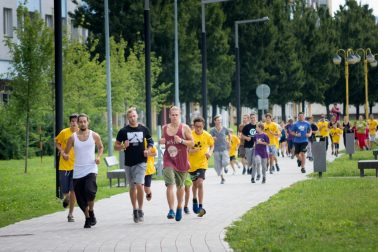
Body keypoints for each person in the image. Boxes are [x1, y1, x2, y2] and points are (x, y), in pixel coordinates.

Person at [63, 113, 103, 228]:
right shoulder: (72, 137)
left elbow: (100, 147)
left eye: (85, 121)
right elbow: (66, 151)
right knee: (80, 198)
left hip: (91, 168)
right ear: (78, 123)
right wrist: (65, 155)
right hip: (78, 171)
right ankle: (87, 218)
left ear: (88, 122)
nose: (83, 123)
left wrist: (98, 157)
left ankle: (91, 211)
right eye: (80, 122)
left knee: (90, 191)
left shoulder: (94, 135)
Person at [114, 108, 154, 223]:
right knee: (132, 187)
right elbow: (116, 146)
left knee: (140, 185)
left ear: (137, 116)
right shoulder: (123, 131)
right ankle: (135, 209)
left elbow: (150, 141)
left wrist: (148, 149)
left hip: (141, 161)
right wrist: (123, 146)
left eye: (134, 116)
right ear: (128, 118)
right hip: (128, 163)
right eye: (130, 117)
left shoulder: (143, 129)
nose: (133, 118)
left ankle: (141, 209)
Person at [160, 106, 194, 221]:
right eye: (172, 115)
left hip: (181, 160)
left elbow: (192, 143)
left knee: (180, 187)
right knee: (170, 184)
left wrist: (182, 141)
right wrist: (161, 141)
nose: (174, 117)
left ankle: (179, 206)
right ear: (169, 115)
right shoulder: (164, 128)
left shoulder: (185, 128)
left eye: (176, 115)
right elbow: (162, 140)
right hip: (168, 159)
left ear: (180, 115)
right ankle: (171, 209)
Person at [188, 116, 214, 217]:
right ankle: (194, 199)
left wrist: (210, 153)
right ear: (194, 126)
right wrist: (190, 151)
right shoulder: (190, 135)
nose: (198, 128)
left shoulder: (207, 135)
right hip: (191, 164)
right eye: (196, 126)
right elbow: (185, 148)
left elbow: (212, 145)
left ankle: (200, 206)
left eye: (200, 126)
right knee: (194, 185)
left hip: (202, 163)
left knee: (200, 182)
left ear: (203, 125)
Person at [55, 113, 78, 222]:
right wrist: (62, 152)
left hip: (76, 166)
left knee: (73, 190)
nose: (74, 123)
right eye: (72, 121)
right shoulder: (64, 133)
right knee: (65, 190)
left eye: (76, 121)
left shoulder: (81, 134)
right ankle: (67, 197)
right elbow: (57, 142)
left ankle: (70, 214)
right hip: (64, 166)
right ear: (70, 122)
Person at [210, 115, 230, 184]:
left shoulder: (224, 128)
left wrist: (229, 142)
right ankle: (222, 178)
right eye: (218, 120)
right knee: (218, 165)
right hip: (216, 149)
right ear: (215, 121)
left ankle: (225, 167)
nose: (219, 121)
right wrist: (213, 138)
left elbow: (229, 134)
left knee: (226, 162)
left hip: (224, 148)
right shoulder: (212, 130)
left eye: (220, 120)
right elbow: (209, 139)